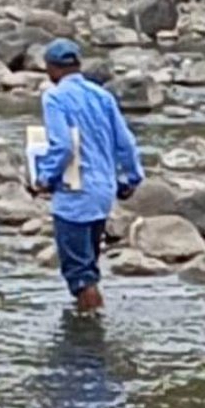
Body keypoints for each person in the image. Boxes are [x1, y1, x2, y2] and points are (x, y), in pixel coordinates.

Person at [32, 38, 145, 312]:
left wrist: (44, 178)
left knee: (80, 274)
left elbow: (63, 146)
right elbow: (125, 142)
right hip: (103, 192)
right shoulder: (101, 95)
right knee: (89, 264)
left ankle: (90, 336)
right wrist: (132, 178)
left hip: (74, 195)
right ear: (78, 65)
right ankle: (92, 321)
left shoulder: (55, 97)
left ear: (52, 69)